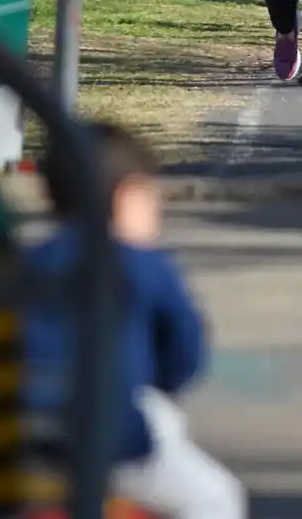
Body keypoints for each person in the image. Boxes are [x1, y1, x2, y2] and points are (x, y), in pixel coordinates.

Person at [23, 122, 246, 519]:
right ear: (127, 196)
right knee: (216, 498)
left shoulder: (24, 266)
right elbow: (184, 355)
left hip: (22, 441)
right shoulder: (142, 266)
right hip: (115, 442)